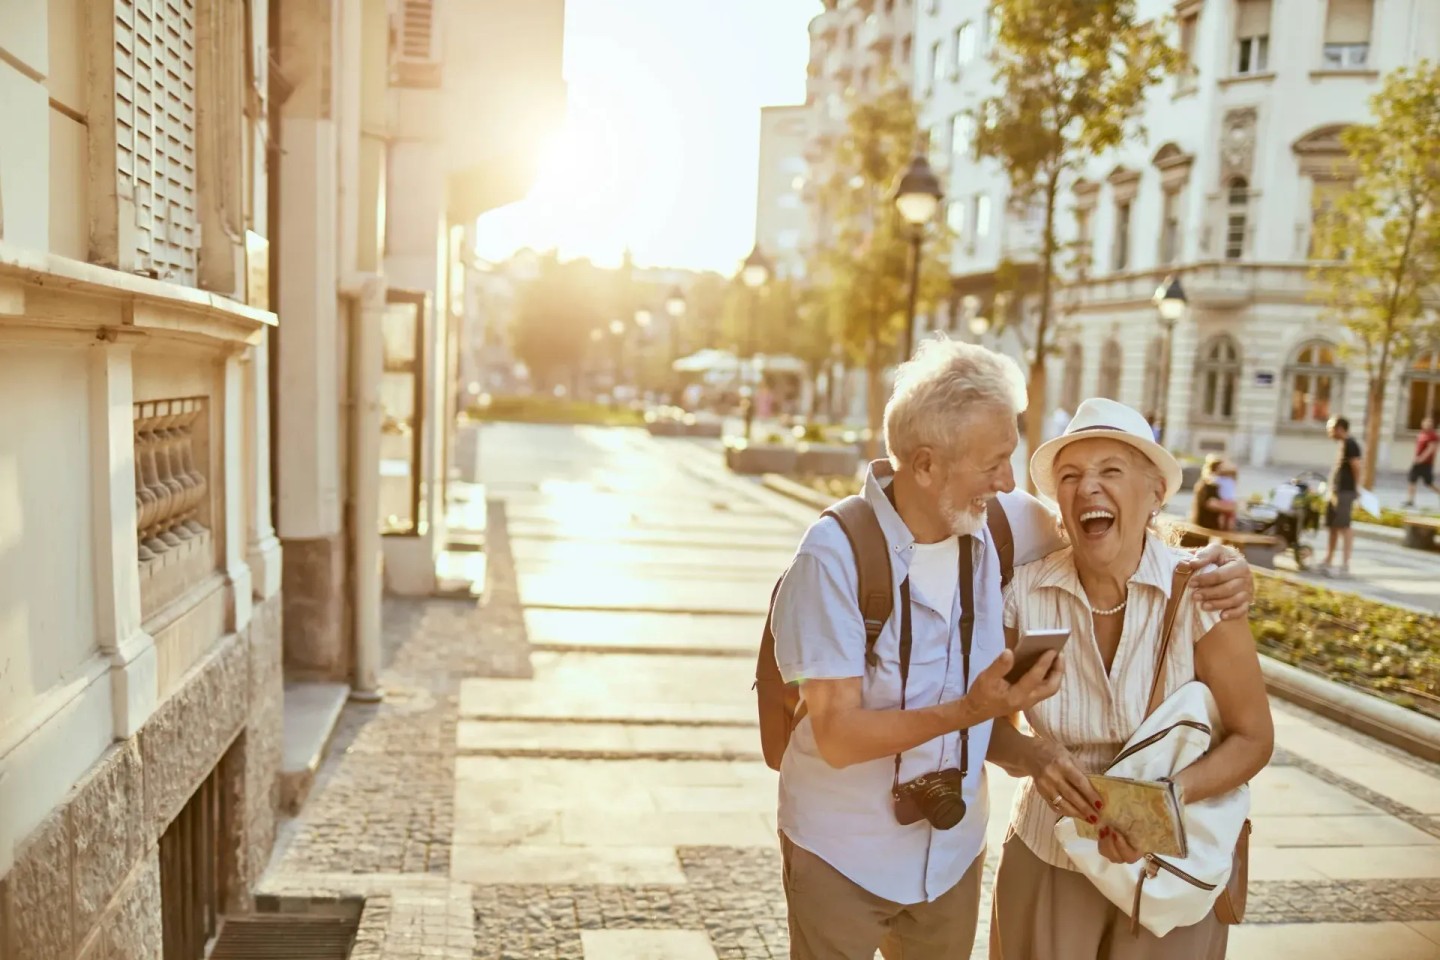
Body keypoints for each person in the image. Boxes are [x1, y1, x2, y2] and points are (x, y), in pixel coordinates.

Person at [770, 340, 1255, 960]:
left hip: (950, 857)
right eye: (993, 463)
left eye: (1012, 459)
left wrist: (1226, 564)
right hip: (843, 845)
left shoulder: (1006, 522)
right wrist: (981, 718)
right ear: (925, 466)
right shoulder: (833, 556)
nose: (1008, 481)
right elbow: (837, 735)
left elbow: (1117, 525)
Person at [987, 398, 1275, 960]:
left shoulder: (1201, 592)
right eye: (1070, 476)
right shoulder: (1023, 595)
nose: (1087, 488)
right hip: (1052, 853)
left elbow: (1254, 737)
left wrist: (1161, 803)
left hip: (1171, 865)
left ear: (1154, 494)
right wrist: (1031, 757)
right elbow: (988, 722)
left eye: (1110, 472)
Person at [1323, 416, 1363, 578]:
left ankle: (1345, 564)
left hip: (1345, 491)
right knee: (1332, 525)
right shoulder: (1343, 444)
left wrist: (1356, 487)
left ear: (1340, 428)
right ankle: (1328, 559)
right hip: (1336, 490)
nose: (1329, 432)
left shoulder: (1351, 444)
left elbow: (1356, 467)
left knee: (1344, 526)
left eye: (1331, 428)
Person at [1189, 455, 1238, 531]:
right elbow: (1211, 504)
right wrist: (1233, 507)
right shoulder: (1209, 485)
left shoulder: (1214, 484)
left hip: (1209, 528)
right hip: (1206, 528)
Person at [1403, 415, 1439, 509]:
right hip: (1417, 462)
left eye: (1429, 423)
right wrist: (1416, 458)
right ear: (1422, 424)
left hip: (1426, 464)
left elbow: (1431, 449)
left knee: (1429, 483)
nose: (1427, 424)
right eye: (1426, 422)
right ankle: (1410, 501)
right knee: (1412, 480)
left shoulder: (1433, 436)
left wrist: (1421, 459)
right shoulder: (1421, 434)